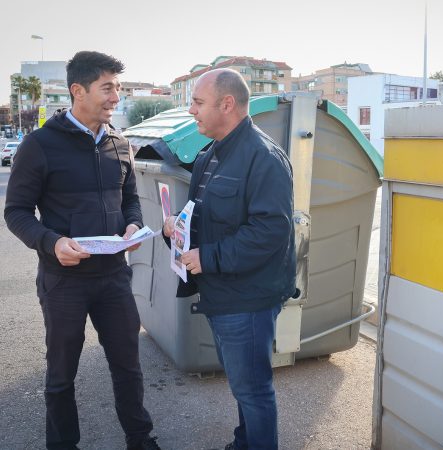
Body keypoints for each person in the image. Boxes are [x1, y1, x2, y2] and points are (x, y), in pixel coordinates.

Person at [4, 51, 160, 450]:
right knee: (61, 374)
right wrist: (51, 242)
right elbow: (17, 211)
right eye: (108, 88)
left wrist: (131, 223)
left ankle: (140, 440)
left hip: (114, 279)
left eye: (118, 89)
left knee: (128, 366)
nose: (116, 97)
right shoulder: (39, 145)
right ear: (79, 91)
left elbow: (130, 200)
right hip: (63, 281)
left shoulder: (119, 143)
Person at [163, 68, 297, 450]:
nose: (191, 111)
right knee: (243, 386)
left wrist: (208, 257)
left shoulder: (263, 157)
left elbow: (271, 232)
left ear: (227, 104)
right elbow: (201, 214)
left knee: (253, 391)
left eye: (198, 102)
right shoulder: (210, 154)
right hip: (222, 294)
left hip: (248, 300)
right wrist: (174, 226)